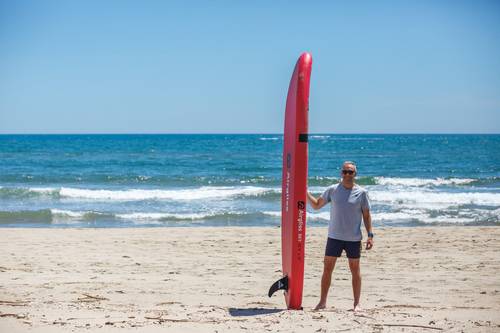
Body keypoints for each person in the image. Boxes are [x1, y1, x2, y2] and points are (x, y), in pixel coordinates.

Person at [307, 161, 373, 312]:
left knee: (355, 270)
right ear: (341, 173)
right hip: (334, 237)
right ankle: (322, 302)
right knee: (327, 269)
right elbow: (317, 205)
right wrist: (305, 192)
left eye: (351, 172)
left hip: (354, 238)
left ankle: (356, 304)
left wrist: (370, 235)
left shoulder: (362, 193)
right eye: (345, 171)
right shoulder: (333, 190)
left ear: (355, 174)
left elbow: (367, 215)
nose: (347, 174)